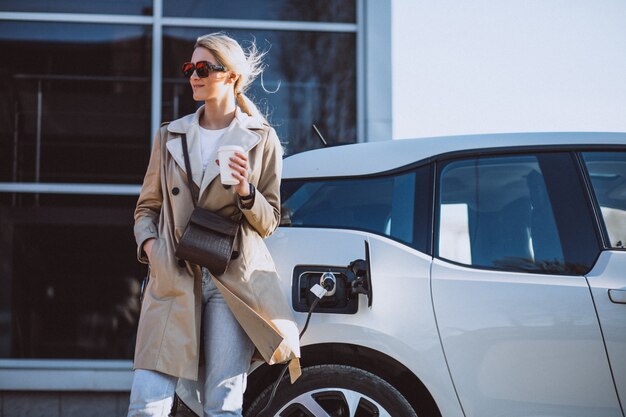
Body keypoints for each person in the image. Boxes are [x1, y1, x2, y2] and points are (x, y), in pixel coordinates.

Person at [128, 32, 300, 417]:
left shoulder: (261, 139)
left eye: (203, 68)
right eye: (190, 68)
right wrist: (152, 250)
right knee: (146, 403)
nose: (193, 75)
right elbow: (147, 208)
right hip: (173, 275)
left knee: (223, 406)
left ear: (231, 77)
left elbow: (269, 220)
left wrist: (244, 189)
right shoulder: (170, 135)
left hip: (231, 281)